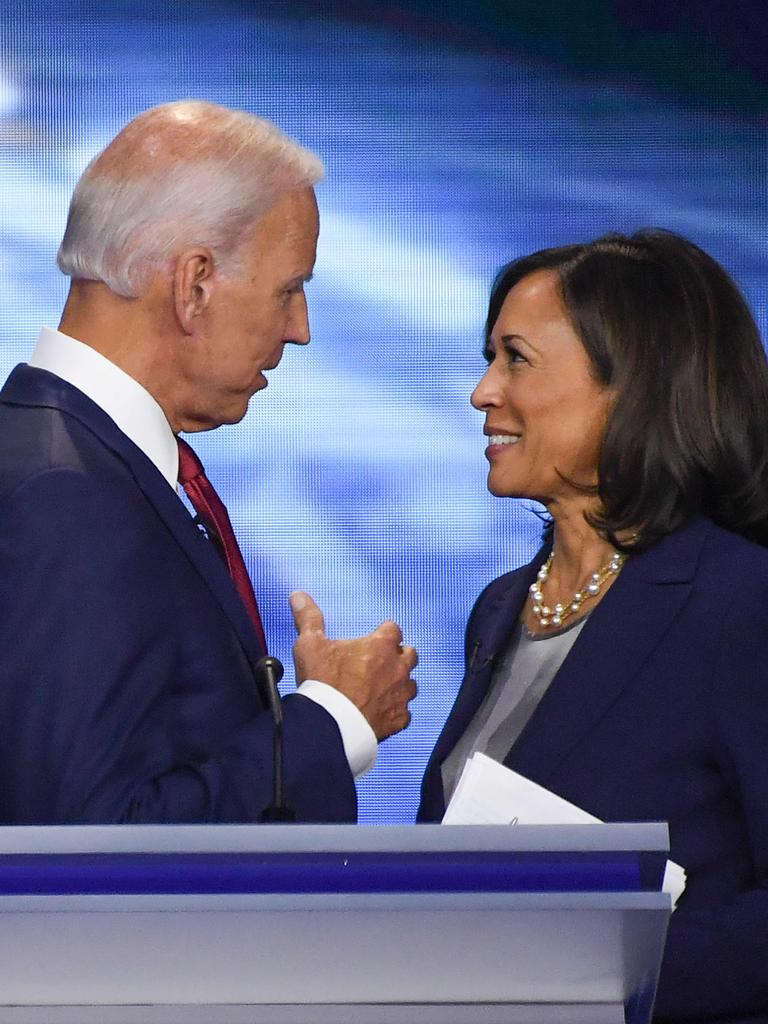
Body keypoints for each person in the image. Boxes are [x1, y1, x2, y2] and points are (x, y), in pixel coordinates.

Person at [0, 100, 417, 825]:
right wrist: (329, 721)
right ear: (194, 284)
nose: (301, 329)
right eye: (290, 289)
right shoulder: (71, 499)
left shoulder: (57, 454)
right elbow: (88, 845)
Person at [418, 230, 768, 1022]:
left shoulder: (739, 604)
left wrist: (595, 977)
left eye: (515, 358)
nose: (482, 392)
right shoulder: (504, 606)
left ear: (632, 386)